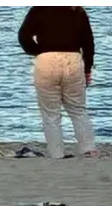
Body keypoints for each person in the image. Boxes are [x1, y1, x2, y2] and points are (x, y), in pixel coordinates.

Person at [18, 7, 97, 159]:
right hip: (73, 59)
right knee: (77, 109)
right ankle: (88, 149)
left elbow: (23, 36)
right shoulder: (77, 11)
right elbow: (88, 43)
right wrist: (87, 69)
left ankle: (56, 153)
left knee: (50, 113)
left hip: (47, 60)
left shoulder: (38, 10)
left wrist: (38, 50)